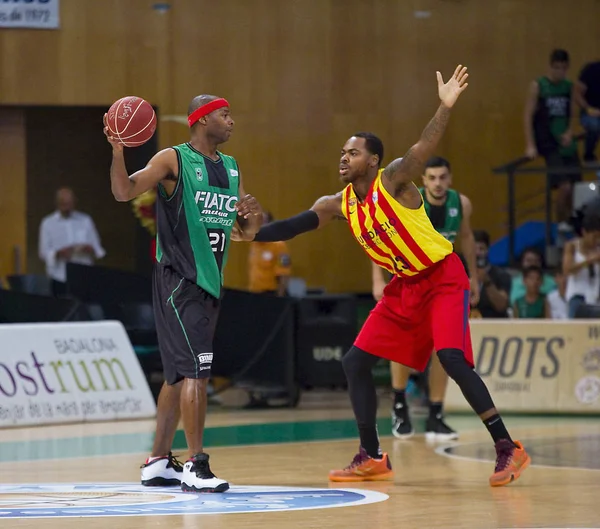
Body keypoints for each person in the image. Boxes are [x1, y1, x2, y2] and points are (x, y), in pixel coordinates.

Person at [235, 65, 530, 487]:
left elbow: (424, 146)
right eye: (342, 151)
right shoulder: (337, 204)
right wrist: (252, 234)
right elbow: (295, 225)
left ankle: (508, 448)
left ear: (372, 161)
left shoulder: (393, 181)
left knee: (450, 357)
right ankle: (372, 456)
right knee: (354, 361)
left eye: (352, 152)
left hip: (443, 277)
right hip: (405, 287)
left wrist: (444, 106)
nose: (344, 157)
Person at [104, 95, 263, 493]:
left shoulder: (230, 168)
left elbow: (241, 233)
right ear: (202, 118)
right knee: (197, 371)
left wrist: (253, 219)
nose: (231, 122)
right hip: (178, 281)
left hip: (209, 283)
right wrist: (119, 153)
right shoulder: (173, 160)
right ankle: (197, 465)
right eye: (225, 115)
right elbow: (124, 192)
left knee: (177, 376)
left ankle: (158, 461)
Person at [371, 156, 478, 441]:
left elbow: (465, 238)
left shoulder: (461, 204)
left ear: (450, 179)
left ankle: (436, 414)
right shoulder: (408, 200)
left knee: (444, 349)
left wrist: (475, 277)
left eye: (443, 177)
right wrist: (377, 279)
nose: (438, 183)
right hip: (410, 279)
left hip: (443, 284)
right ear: (423, 181)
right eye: (432, 178)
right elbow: (382, 235)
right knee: (404, 344)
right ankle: (399, 406)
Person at [524, 49, 581, 226]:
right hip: (548, 142)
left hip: (566, 142)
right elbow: (528, 115)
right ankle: (561, 225)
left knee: (575, 188)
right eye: (556, 68)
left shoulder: (568, 87)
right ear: (550, 66)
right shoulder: (539, 85)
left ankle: (573, 223)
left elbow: (573, 112)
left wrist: (570, 131)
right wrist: (530, 144)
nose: (559, 72)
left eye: (563, 68)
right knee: (563, 187)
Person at [38, 187, 105, 297]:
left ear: (74, 202)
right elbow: (43, 252)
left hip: (84, 276)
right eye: (63, 204)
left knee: (84, 311)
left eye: (69, 203)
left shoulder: (85, 220)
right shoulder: (48, 223)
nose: (66, 207)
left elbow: (98, 248)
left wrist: (90, 248)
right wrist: (58, 253)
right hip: (60, 276)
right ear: (57, 203)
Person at [563, 213, 600, 318]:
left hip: (595, 297)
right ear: (584, 232)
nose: (596, 240)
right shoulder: (572, 246)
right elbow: (567, 269)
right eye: (594, 236)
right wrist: (589, 260)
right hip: (577, 296)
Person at [248, 211, 292, 296]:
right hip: (254, 293)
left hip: (271, 294)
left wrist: (279, 299)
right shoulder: (254, 244)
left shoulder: (278, 245)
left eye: (262, 222)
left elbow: (284, 274)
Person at [473, 230, 512, 318]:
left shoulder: (502, 275)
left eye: (481, 249)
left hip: (495, 326)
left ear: (487, 250)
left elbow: (501, 306)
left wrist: (487, 282)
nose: (478, 253)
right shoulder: (460, 274)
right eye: (474, 249)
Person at [576, 59, 600, 164]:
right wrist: (587, 108)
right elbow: (577, 93)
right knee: (594, 125)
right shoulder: (591, 69)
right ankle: (588, 154)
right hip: (590, 112)